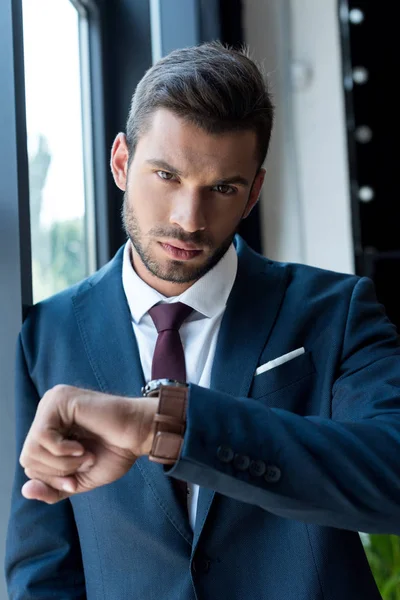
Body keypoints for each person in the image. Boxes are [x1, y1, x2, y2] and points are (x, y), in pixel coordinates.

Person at [5, 41, 400, 600]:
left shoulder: (336, 311)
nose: (188, 219)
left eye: (221, 188)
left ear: (253, 191)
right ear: (121, 162)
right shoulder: (45, 335)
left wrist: (160, 426)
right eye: (166, 175)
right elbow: (41, 572)